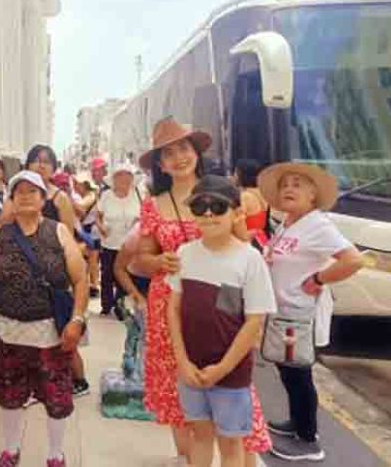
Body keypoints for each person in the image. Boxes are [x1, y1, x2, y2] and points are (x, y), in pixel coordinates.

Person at [134, 116, 271, 466]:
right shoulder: (153, 204)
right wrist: (158, 263)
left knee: (232, 388)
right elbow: (141, 258)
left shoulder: (221, 192)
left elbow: (246, 248)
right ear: (160, 164)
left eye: (184, 148)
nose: (178, 157)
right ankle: (187, 459)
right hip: (171, 305)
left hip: (221, 301)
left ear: (196, 152)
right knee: (180, 393)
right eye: (168, 153)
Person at [0, 170, 90, 467]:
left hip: (49, 332)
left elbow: (80, 279)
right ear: (10, 200)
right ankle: (11, 450)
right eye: (19, 192)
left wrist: (77, 319)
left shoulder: (58, 232)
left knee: (56, 397)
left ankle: (55, 453)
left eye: (32, 191)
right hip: (6, 331)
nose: (25, 196)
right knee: (10, 393)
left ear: (42, 199)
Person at [167, 175, 277, 467]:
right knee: (200, 435)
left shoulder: (249, 261)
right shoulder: (185, 254)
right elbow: (173, 309)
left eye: (217, 206)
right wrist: (182, 362)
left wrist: (223, 368)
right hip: (191, 370)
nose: (207, 214)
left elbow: (253, 322)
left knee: (231, 444)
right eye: (199, 206)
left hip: (230, 374)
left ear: (238, 213)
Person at [258, 163, 363, 462]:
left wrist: (318, 280)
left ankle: (308, 440)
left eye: (298, 185)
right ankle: (298, 423)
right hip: (283, 313)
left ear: (314, 196)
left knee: (299, 374)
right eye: (285, 185)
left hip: (299, 315)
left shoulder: (318, 225)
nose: (289, 189)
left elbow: (353, 260)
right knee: (288, 372)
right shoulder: (289, 221)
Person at [24, 145, 89, 398]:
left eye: (47, 161)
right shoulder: (19, 193)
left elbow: (68, 236)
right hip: (26, 272)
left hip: (53, 272)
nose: (41, 166)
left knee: (61, 327)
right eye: (36, 161)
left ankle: (79, 379)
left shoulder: (59, 197)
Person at [96, 163, 143, 318]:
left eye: (127, 176)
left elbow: (145, 215)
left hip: (130, 245)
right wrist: (101, 227)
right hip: (110, 242)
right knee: (107, 274)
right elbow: (98, 216)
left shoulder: (138, 194)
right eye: (120, 176)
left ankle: (120, 304)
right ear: (114, 179)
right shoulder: (106, 195)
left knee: (126, 275)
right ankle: (106, 304)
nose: (124, 180)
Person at [73, 173, 102, 299]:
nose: (75, 186)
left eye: (77, 184)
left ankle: (94, 285)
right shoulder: (87, 196)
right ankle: (92, 284)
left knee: (92, 259)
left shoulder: (90, 196)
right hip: (87, 231)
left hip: (91, 231)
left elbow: (80, 207)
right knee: (90, 259)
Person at [233, 159, 272, 249]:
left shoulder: (245, 196)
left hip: (249, 241)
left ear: (242, 175)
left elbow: (237, 222)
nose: (233, 176)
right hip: (262, 239)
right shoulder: (263, 193)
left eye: (235, 172)